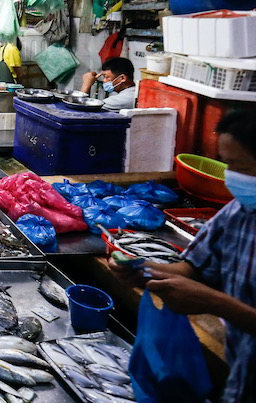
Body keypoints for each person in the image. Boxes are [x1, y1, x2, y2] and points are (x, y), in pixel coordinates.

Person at [109, 110, 256, 402]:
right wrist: (142, 269)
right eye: (227, 164)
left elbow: (211, 295)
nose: (230, 177)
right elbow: (194, 269)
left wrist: (216, 303)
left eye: (239, 166)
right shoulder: (239, 213)